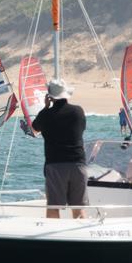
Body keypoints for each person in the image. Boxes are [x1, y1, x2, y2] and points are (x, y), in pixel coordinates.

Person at [32, 79, 87, 219]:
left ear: (50, 97)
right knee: (78, 208)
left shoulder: (45, 115)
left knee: (53, 207)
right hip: (78, 164)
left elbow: (35, 127)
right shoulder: (78, 112)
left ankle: (53, 239)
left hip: (55, 164)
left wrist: (45, 107)